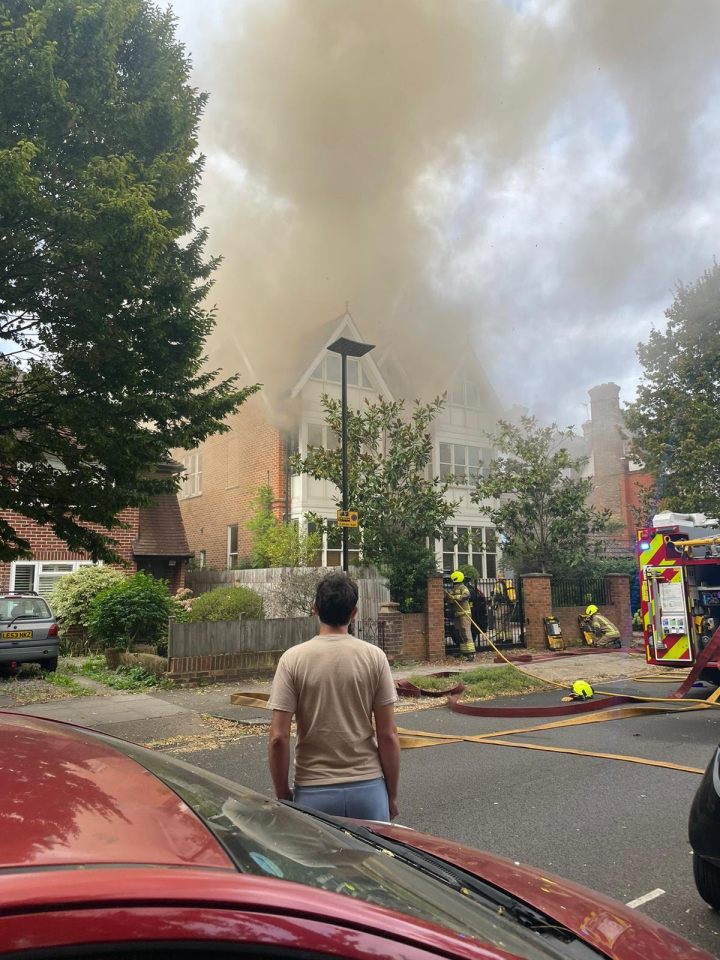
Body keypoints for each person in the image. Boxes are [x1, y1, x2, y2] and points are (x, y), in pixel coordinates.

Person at [267, 572, 400, 821]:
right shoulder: (374, 657)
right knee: (372, 861)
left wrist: (283, 794)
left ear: (315, 609)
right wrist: (390, 795)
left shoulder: (292, 659)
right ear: (354, 613)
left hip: (313, 793)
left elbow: (278, 738)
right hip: (368, 789)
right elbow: (388, 735)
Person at [448, 570, 475, 661]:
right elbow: (450, 599)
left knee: (466, 632)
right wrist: (450, 597)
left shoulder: (463, 587)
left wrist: (456, 597)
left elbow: (467, 595)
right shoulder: (454, 589)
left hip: (464, 613)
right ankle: (464, 652)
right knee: (460, 633)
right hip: (457, 614)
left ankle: (471, 654)